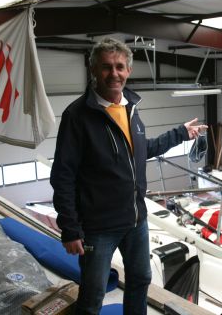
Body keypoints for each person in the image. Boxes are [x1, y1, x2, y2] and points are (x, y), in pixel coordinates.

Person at [50, 37, 207, 315]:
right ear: (94, 71)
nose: (114, 73)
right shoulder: (77, 116)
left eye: (120, 67)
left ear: (128, 71)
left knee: (140, 280)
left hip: (136, 221)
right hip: (98, 227)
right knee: (93, 295)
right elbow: (63, 175)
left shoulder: (130, 108)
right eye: (106, 67)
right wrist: (70, 228)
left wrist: (180, 134)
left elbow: (141, 151)